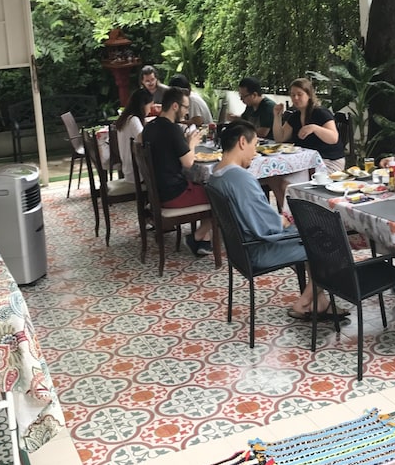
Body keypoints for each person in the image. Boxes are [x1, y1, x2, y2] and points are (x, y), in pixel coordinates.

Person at [207, 120, 346, 320]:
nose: (255, 153)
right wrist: (287, 219)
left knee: (314, 235)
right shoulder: (240, 179)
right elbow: (269, 227)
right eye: (255, 145)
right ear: (242, 142)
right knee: (332, 246)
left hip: (240, 250)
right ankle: (304, 304)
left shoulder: (216, 174)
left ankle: (320, 302)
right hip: (259, 250)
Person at [142, 86, 214, 256]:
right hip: (174, 194)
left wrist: (185, 143)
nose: (187, 112)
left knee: (207, 188)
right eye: (185, 107)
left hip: (158, 193)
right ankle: (198, 236)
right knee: (220, 195)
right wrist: (192, 144)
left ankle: (204, 239)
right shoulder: (172, 129)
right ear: (175, 106)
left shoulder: (149, 127)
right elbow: (188, 162)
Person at [273, 77, 344, 171]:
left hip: (328, 161)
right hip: (305, 162)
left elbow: (334, 138)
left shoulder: (321, 113)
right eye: (293, 95)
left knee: (290, 177)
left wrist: (314, 128)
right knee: (278, 175)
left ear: (309, 95)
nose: (295, 98)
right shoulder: (295, 116)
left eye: (299, 94)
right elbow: (280, 138)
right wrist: (277, 116)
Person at [114, 87, 153, 186]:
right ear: (143, 105)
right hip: (138, 174)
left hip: (129, 172)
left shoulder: (125, 119)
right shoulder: (133, 120)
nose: (150, 110)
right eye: (150, 106)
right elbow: (144, 141)